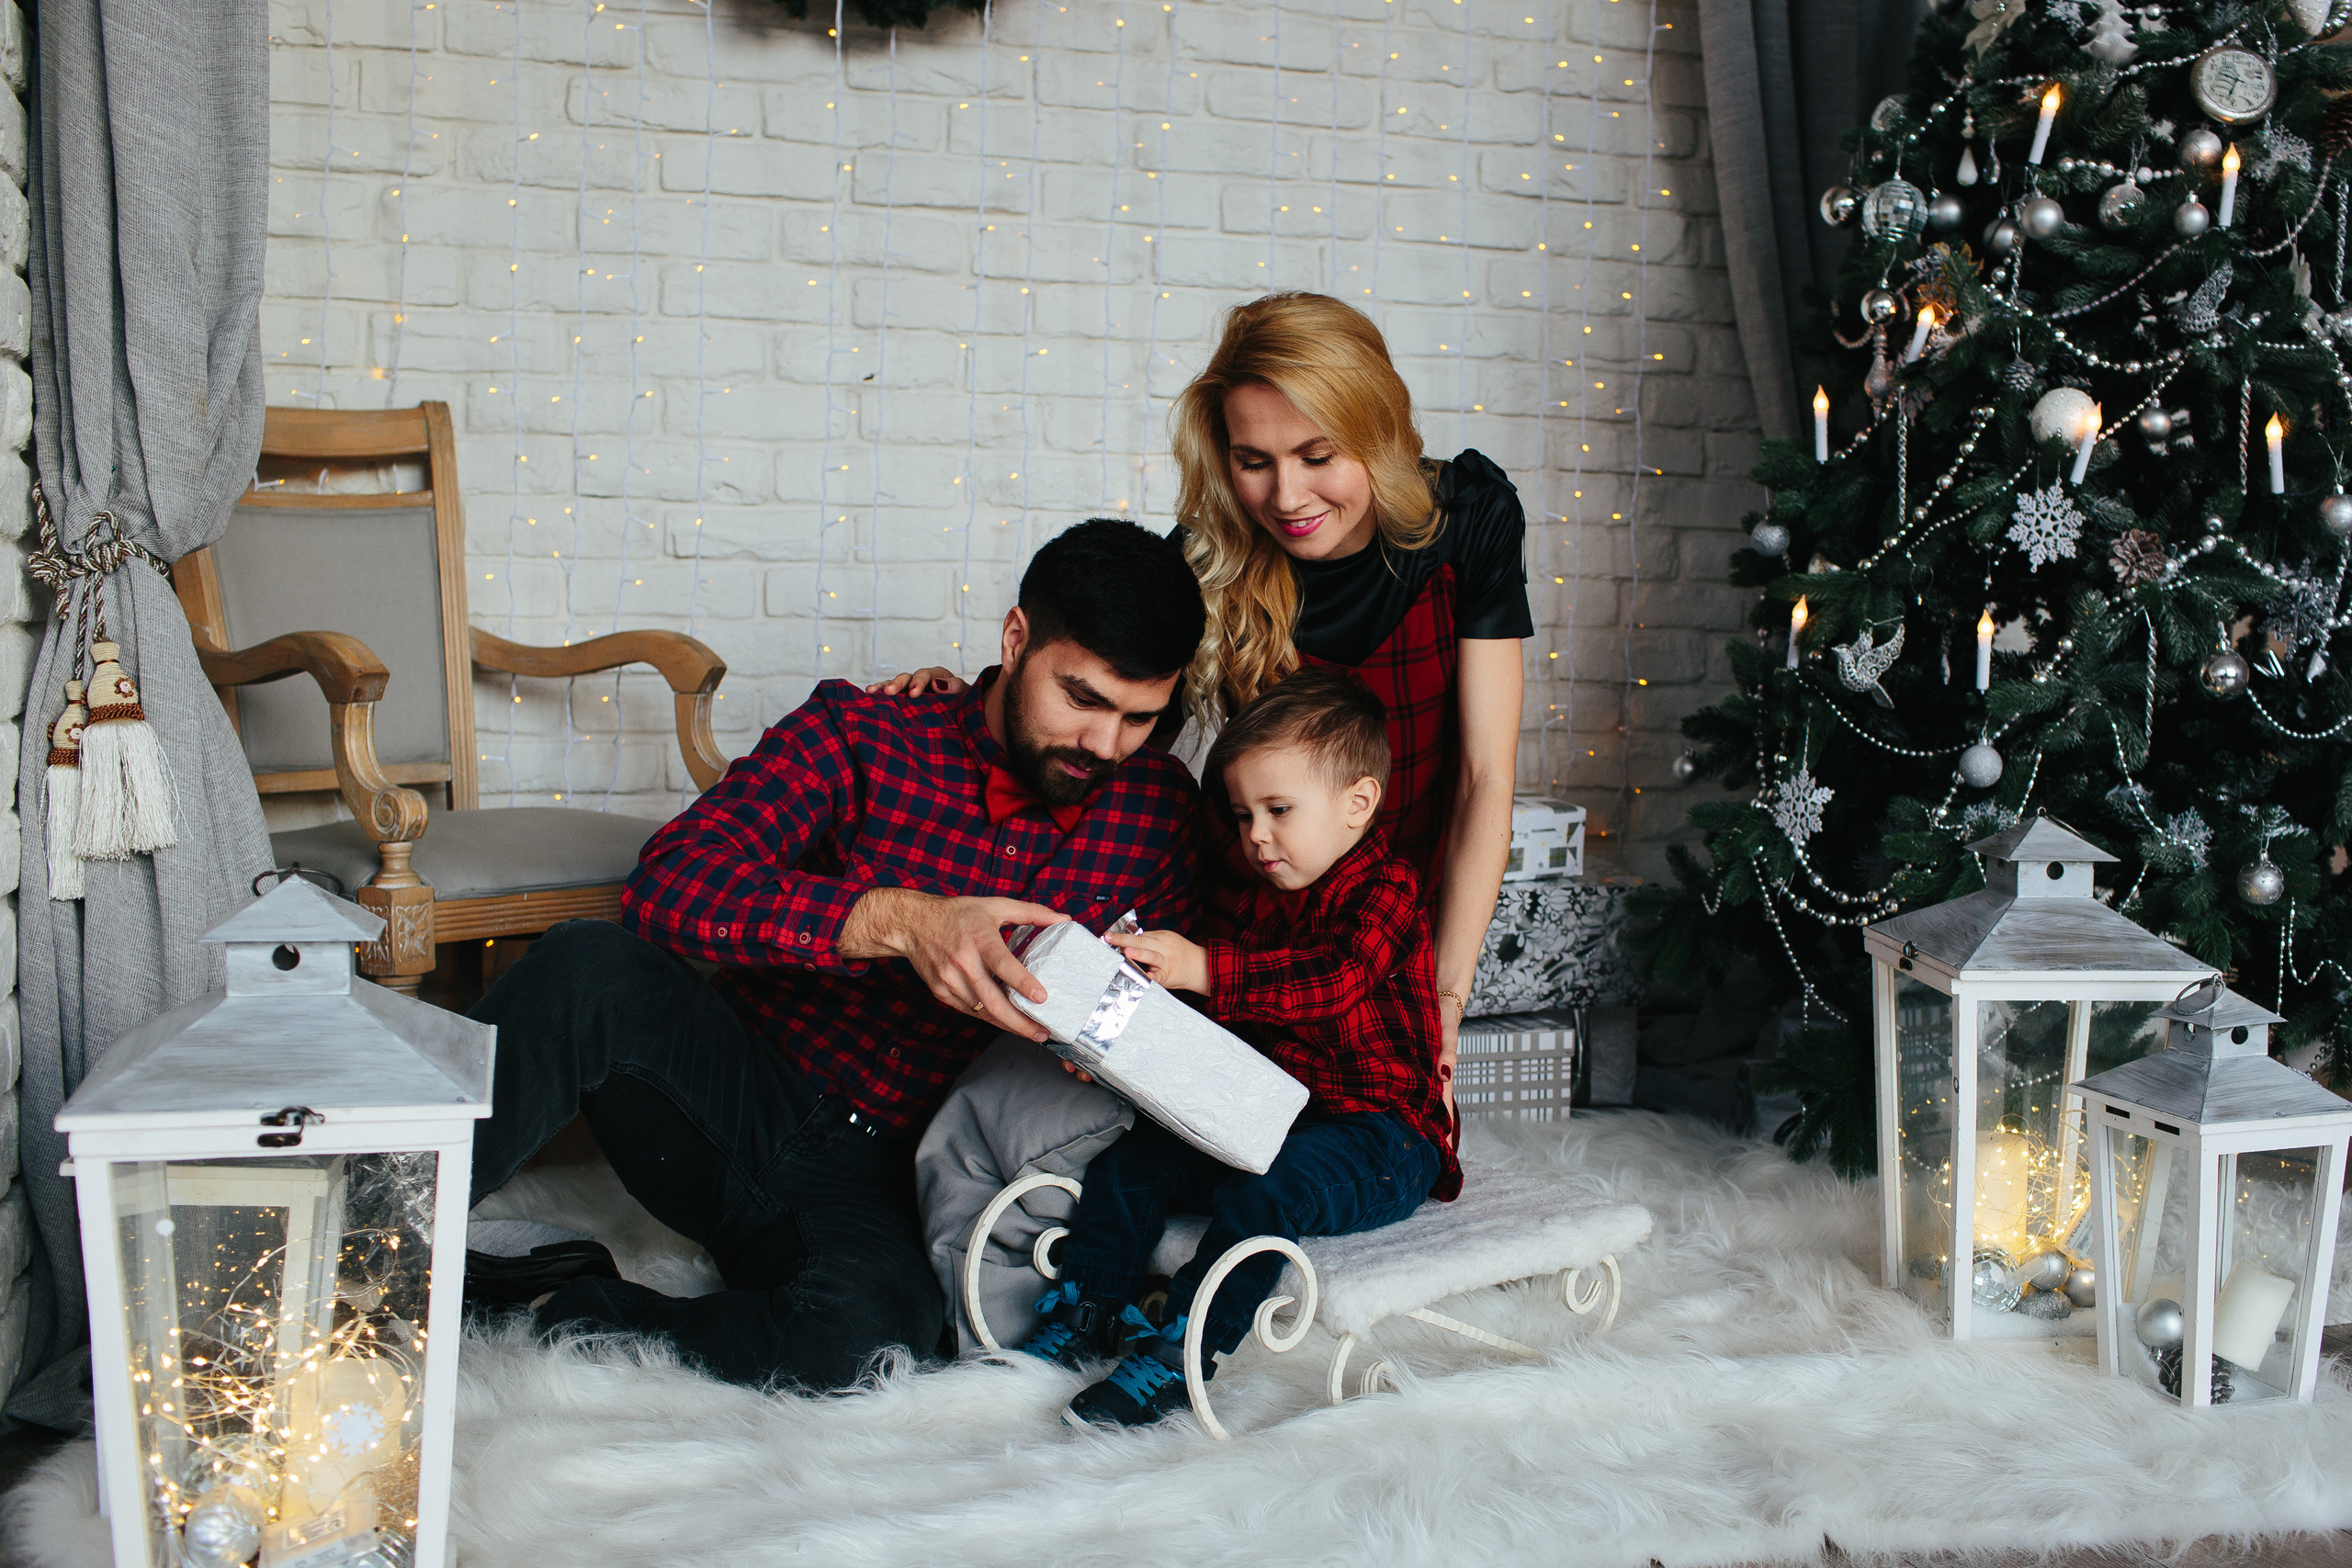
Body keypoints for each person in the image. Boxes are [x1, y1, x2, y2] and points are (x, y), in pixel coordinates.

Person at [461, 518, 1206, 1390]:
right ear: (1015, 640)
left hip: (898, 1176)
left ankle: (561, 1310)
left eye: (1140, 718)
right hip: (736, 1093)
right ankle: (353, 1235)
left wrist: (1112, 1039)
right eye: (1082, 699)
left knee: (868, 1343)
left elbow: (1166, 1018)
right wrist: (899, 920)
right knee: (584, 966)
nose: (1106, 745)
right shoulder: (865, 730)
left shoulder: (1160, 814)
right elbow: (668, 884)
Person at [881, 291, 1530, 1092]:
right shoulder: (1206, 553)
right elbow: (1107, 730)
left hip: (1391, 915)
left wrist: (1445, 1000)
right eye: (1253, 461)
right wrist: (968, 707)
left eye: (1317, 455)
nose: (1286, 498)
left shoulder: (1468, 515)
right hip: (1245, 924)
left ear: (1379, 432)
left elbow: (1483, 780)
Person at [1014, 668, 1459, 1428]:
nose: (1257, 835)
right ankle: (1088, 1304)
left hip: (1383, 1132)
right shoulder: (1260, 902)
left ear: (1358, 803)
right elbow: (1228, 1028)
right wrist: (1130, 1014)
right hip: (1278, 1112)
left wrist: (1206, 966)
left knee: (1271, 1190)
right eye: (1244, 813)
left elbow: (1332, 981)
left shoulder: (1387, 888)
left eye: (1278, 810)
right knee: (1140, 1150)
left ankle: (1181, 1351)